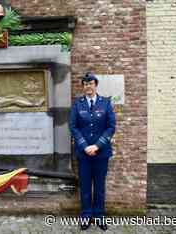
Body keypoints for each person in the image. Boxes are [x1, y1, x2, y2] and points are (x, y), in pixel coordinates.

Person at [69, 72, 116, 231]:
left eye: (90, 83)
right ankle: (86, 216)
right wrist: (84, 146)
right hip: (83, 154)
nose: (88, 87)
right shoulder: (77, 104)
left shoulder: (106, 103)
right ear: (83, 87)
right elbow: (73, 127)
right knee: (85, 186)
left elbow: (111, 127)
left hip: (101, 153)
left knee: (100, 187)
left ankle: (99, 215)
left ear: (95, 85)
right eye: (85, 84)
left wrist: (97, 146)